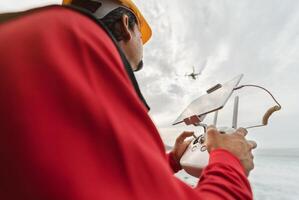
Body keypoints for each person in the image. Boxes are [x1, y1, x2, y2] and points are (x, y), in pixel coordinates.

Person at [0, 0, 256, 199]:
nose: (142, 50)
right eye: (141, 38)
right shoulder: (79, 49)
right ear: (125, 24)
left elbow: (95, 178)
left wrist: (170, 162)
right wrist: (229, 160)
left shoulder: (38, 40)